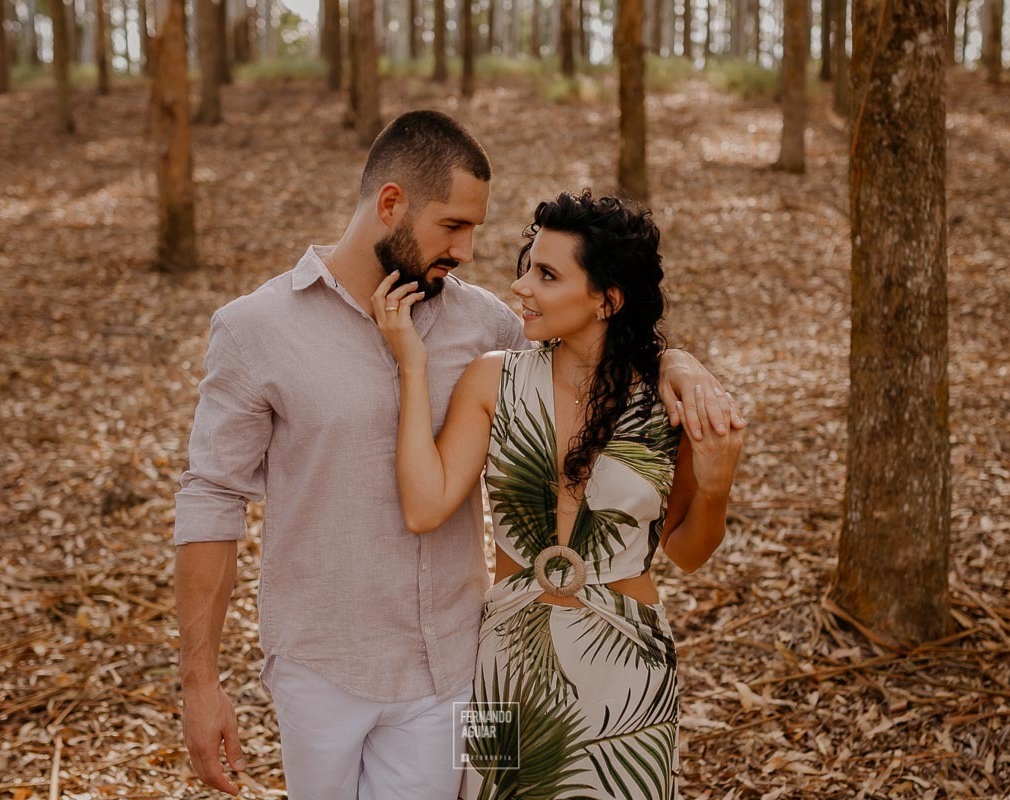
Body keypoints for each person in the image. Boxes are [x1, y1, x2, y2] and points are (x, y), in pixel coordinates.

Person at [174, 111, 744, 800]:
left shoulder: (487, 326)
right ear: (391, 205)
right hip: (323, 666)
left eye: (477, 229)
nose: (470, 251)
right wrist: (200, 685)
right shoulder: (256, 329)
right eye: (454, 226)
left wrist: (677, 362)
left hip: (454, 666)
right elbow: (211, 499)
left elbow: (596, 353)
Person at [373, 190, 744, 798]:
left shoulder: (666, 404)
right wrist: (411, 366)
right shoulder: (492, 378)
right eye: (527, 267)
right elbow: (424, 505)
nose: (522, 287)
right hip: (501, 660)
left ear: (607, 299)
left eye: (546, 274)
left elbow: (687, 552)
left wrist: (718, 486)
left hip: (629, 668)